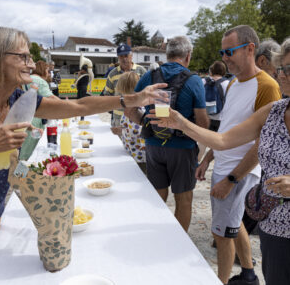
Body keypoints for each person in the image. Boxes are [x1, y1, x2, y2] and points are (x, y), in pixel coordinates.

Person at [0, 26, 166, 239]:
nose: (31, 64)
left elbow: (80, 106)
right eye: (23, 56)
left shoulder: (19, 98)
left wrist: (131, 99)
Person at [149, 36, 290, 285]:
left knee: (225, 232)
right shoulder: (272, 108)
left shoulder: (265, 87)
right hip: (273, 226)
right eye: (281, 68)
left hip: (241, 181)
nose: (282, 75)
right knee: (235, 233)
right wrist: (182, 125)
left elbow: (255, 147)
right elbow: (224, 137)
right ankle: (248, 274)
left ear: (249, 49)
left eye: (288, 70)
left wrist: (233, 178)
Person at [126, 36, 209, 232]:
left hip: (154, 146)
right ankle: (178, 243)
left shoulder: (149, 76)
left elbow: (129, 110)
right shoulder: (194, 80)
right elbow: (203, 122)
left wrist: (148, 122)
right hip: (183, 148)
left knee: (157, 196)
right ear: (188, 56)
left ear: (167, 54)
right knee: (184, 199)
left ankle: (156, 238)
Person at [19, 60, 59, 160]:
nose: (49, 73)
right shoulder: (40, 81)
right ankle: (20, 172)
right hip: (35, 120)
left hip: (24, 117)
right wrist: (68, 105)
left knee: (22, 149)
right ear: (42, 70)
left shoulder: (30, 78)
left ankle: (18, 171)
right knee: (28, 151)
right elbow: (53, 99)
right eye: (47, 70)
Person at [101, 44, 146, 129]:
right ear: (118, 58)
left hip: (138, 117)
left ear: (131, 56)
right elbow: (107, 94)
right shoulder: (112, 73)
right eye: (121, 56)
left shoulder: (141, 70)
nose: (124, 58)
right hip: (118, 118)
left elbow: (147, 91)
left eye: (126, 55)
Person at [115, 72, 146, 174]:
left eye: (124, 93)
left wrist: (123, 131)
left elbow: (137, 133)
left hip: (142, 159)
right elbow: (128, 127)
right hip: (130, 155)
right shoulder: (129, 106)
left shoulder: (141, 108)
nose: (122, 96)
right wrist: (120, 129)